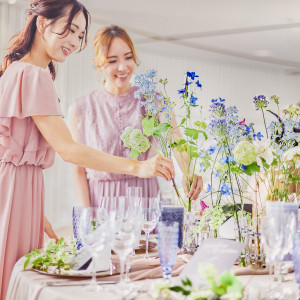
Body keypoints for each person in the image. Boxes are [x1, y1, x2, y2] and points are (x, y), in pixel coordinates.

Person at [0, 2, 174, 298]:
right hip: (16, 192)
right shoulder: (35, 75)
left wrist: (36, 211)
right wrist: (138, 166)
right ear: (43, 23)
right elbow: (69, 150)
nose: (75, 41)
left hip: (19, 191)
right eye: (70, 30)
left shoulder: (17, 70)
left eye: (80, 35)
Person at [68, 25, 203, 207]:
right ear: (98, 63)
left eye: (128, 57)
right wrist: (88, 214)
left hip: (145, 197)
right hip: (101, 199)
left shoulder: (155, 101)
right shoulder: (81, 108)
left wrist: (188, 172)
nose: (123, 67)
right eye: (112, 60)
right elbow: (78, 168)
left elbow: (176, 141)